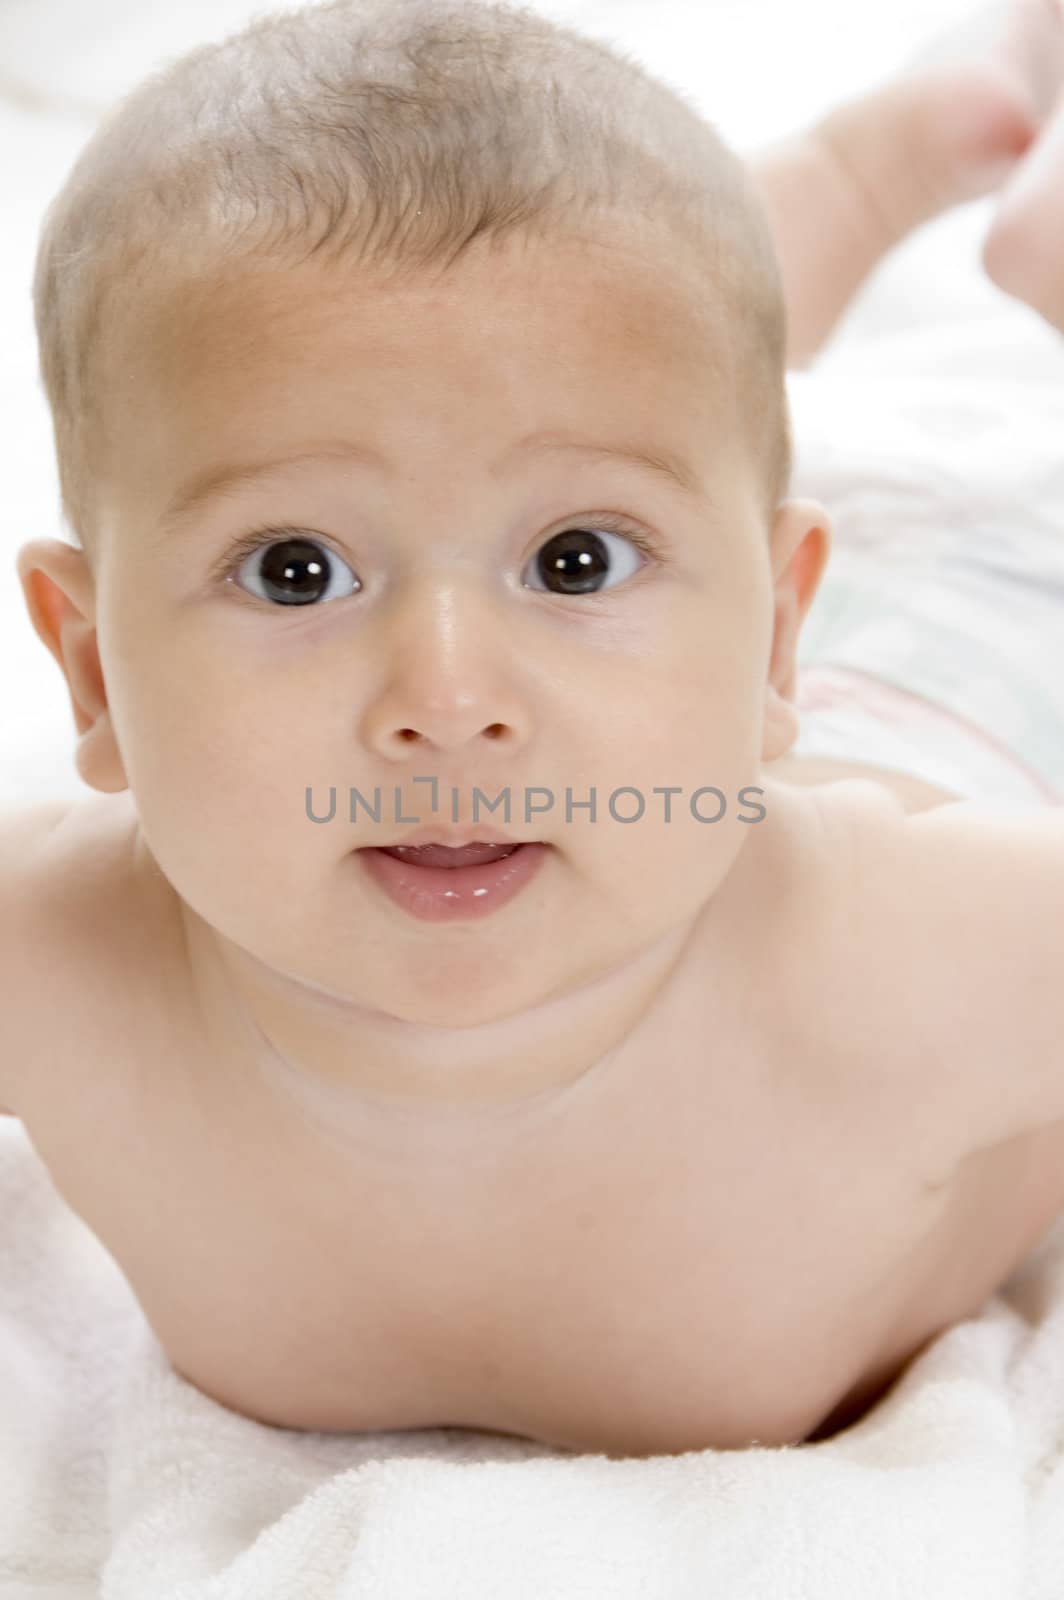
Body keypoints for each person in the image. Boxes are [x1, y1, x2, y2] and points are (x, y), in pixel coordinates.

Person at [4, 0, 1064, 1458]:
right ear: (94, 673)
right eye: (292, 571)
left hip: (1005, 624)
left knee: (671, 377)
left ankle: (985, 238)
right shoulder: (53, 960)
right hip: (687, 587)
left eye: (571, 562)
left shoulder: (903, 954)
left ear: (771, 639)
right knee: (613, 377)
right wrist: (598, 562)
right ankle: (858, 175)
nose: (448, 705)